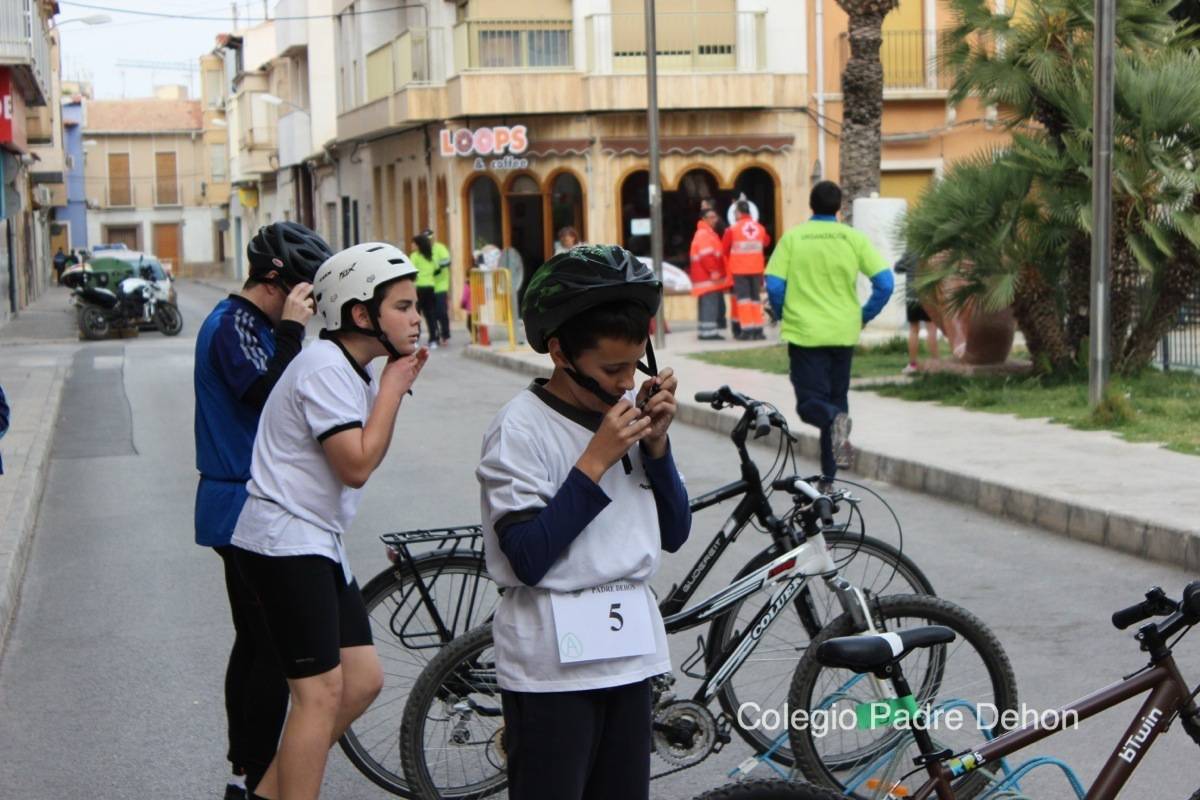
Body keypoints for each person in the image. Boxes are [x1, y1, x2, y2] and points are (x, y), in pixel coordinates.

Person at [477, 244, 691, 800]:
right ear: (560, 352)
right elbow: (527, 557)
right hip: (551, 667)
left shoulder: (629, 420)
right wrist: (594, 461)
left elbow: (674, 532)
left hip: (628, 658)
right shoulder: (519, 430)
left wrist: (659, 446)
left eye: (635, 365)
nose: (626, 384)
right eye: (611, 369)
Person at [230, 241, 428, 800]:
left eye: (415, 306)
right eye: (403, 306)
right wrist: (393, 387)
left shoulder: (351, 366)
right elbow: (356, 465)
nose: (417, 318)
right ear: (362, 315)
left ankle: (263, 795)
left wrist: (387, 383)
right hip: (282, 542)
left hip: (315, 540)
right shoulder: (324, 368)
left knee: (361, 681)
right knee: (318, 694)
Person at [193, 221, 332, 800]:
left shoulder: (256, 324)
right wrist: (295, 333)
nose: (310, 305)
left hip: (251, 501)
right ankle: (252, 775)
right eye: (306, 293)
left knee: (256, 641)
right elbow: (265, 392)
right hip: (239, 506)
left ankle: (244, 768)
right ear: (278, 282)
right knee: (270, 648)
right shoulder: (234, 325)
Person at [765, 180, 894, 485]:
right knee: (837, 400)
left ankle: (836, 428)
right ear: (838, 207)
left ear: (811, 204)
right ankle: (830, 478)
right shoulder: (853, 239)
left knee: (811, 405)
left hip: (806, 334)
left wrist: (783, 312)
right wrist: (863, 315)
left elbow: (773, 284)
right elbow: (885, 283)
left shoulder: (794, 238)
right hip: (843, 333)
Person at [723, 199, 771, 341]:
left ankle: (747, 330)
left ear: (738, 212)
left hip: (740, 269)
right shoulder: (760, 228)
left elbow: (724, 248)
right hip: (756, 269)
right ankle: (758, 330)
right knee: (756, 299)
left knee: (744, 300)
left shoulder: (733, 229)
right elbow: (766, 242)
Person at [894, 251, 940, 374]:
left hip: (911, 297)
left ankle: (912, 364)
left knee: (914, 330)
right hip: (928, 297)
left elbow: (897, 268)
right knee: (932, 329)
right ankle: (936, 363)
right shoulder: (933, 249)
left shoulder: (911, 251)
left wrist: (909, 267)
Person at [689, 208, 730, 340]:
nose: (715, 220)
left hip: (704, 277)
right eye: (712, 217)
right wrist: (714, 271)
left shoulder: (706, 233)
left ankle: (705, 330)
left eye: (715, 217)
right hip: (708, 277)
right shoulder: (704, 234)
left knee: (707, 303)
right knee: (710, 304)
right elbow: (707, 255)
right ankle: (709, 333)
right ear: (704, 219)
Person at [411, 229, 452, 348]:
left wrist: (437, 269)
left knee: (441, 312)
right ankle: (434, 336)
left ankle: (444, 335)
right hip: (429, 286)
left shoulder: (439, 248)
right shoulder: (419, 254)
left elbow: (446, 261)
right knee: (429, 313)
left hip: (440, 286)